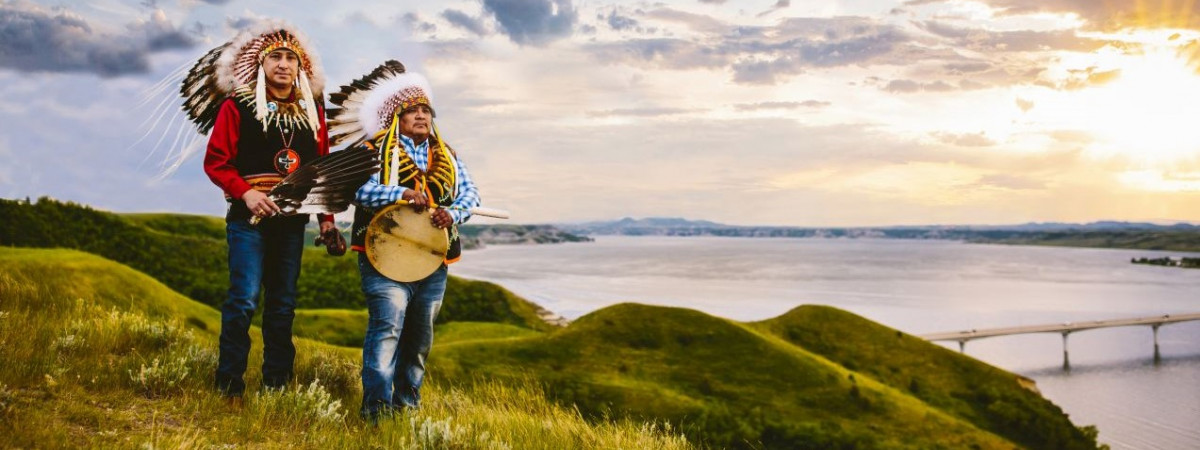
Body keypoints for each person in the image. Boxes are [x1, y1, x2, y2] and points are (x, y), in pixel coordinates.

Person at [325, 62, 480, 421]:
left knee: (419, 340)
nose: (422, 115)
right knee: (387, 329)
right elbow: (358, 191)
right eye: (413, 110)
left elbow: (470, 195)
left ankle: (406, 409)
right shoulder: (373, 150)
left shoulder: (449, 156)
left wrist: (452, 214)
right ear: (398, 115)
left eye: (427, 110)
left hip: (432, 260)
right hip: (384, 260)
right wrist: (401, 193)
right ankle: (376, 414)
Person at [193, 22, 336, 402]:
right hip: (248, 222)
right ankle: (229, 387)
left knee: (282, 305)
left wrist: (327, 221)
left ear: (300, 67)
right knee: (242, 300)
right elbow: (217, 162)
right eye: (275, 56)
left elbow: (321, 169)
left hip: (292, 224)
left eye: (291, 58)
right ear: (261, 63)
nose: (284, 64)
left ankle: (276, 387)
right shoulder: (237, 105)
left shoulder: (313, 112)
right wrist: (246, 193)